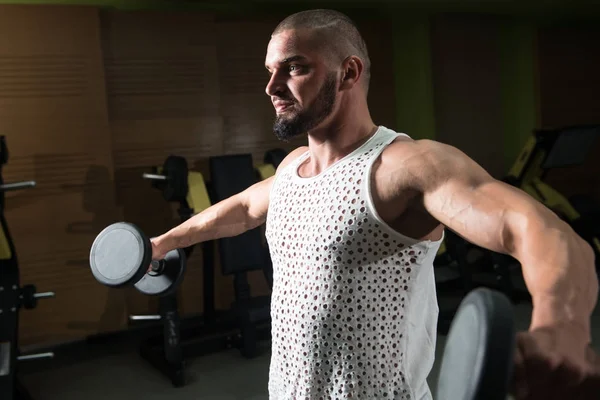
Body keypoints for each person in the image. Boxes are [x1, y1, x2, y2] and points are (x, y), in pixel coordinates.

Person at [150, 9, 599, 400]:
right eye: (269, 71)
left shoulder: (404, 166)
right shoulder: (292, 167)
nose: (272, 86)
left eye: (294, 68)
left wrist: (563, 329)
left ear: (348, 72)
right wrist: (166, 242)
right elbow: (245, 208)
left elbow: (540, 229)